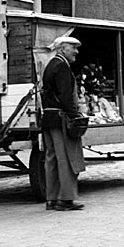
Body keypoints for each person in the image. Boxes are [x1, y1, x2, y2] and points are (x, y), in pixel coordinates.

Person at [41, 36, 86, 211]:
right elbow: (66, 97)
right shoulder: (62, 68)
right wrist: (75, 117)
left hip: (49, 118)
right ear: (61, 49)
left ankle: (51, 198)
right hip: (61, 119)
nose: (76, 51)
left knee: (51, 159)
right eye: (73, 47)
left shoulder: (51, 65)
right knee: (66, 158)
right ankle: (66, 199)